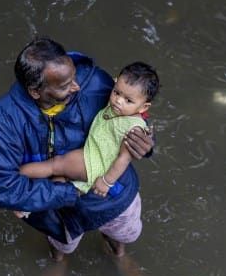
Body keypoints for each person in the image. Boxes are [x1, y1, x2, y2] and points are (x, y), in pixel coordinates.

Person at [0, 37, 154, 263]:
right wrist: (70, 193)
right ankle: (58, 262)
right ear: (35, 92)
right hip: (55, 209)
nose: (76, 86)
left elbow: (133, 117)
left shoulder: (95, 82)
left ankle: (119, 255)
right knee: (61, 244)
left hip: (112, 195)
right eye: (65, 86)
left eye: (74, 76)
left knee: (122, 233)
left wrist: (146, 144)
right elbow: (0, 187)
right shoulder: (5, 118)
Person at [19, 62, 159, 200]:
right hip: (91, 155)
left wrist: (106, 182)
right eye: (116, 92)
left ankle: (14, 175)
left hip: (93, 162)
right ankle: (27, 204)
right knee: (60, 179)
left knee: (55, 165)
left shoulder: (134, 128)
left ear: (143, 107)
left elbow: (124, 158)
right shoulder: (118, 105)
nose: (118, 101)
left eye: (128, 100)